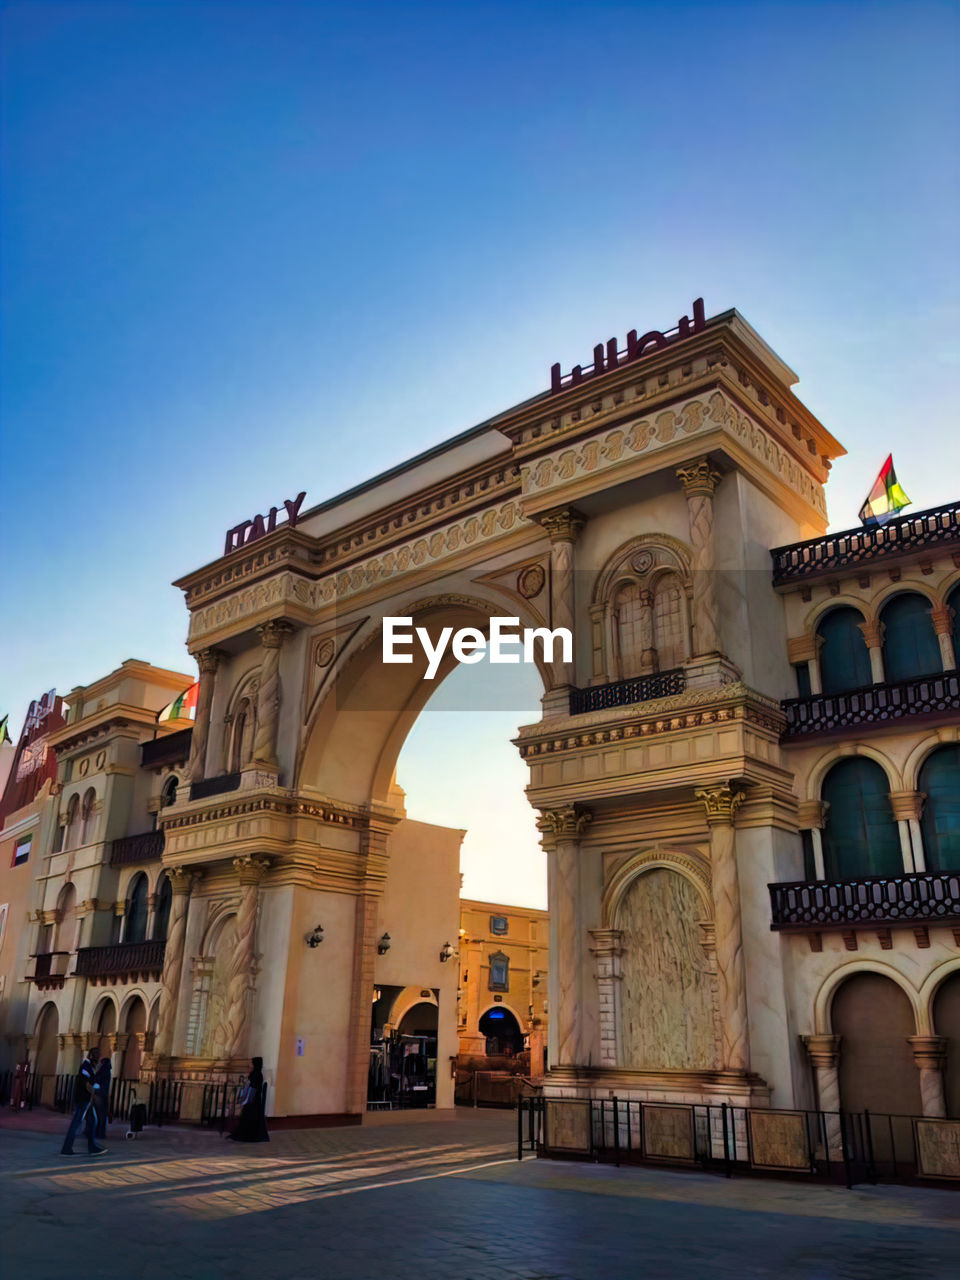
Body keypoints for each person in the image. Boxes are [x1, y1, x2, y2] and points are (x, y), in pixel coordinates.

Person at [60, 1046, 106, 1156]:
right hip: (83, 1100)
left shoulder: (90, 1067)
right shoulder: (86, 1066)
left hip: (87, 1100)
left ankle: (92, 1147)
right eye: (97, 1055)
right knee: (76, 1123)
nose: (99, 1058)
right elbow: (86, 1084)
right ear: (92, 1056)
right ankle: (67, 1148)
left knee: (92, 1121)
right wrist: (95, 1096)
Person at [228, 1057, 268, 1142]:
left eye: (252, 1063)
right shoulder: (255, 1073)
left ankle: (248, 1134)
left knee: (249, 1114)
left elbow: (253, 1089)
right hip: (253, 1099)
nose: (251, 1065)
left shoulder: (257, 1075)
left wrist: (246, 1099)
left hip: (253, 1100)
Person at [93, 1052, 112, 1141]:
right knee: (102, 1115)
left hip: (99, 1094)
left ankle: (98, 1132)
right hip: (104, 1094)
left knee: (99, 1114)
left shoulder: (103, 1070)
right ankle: (100, 1132)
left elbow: (96, 1080)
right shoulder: (107, 1070)